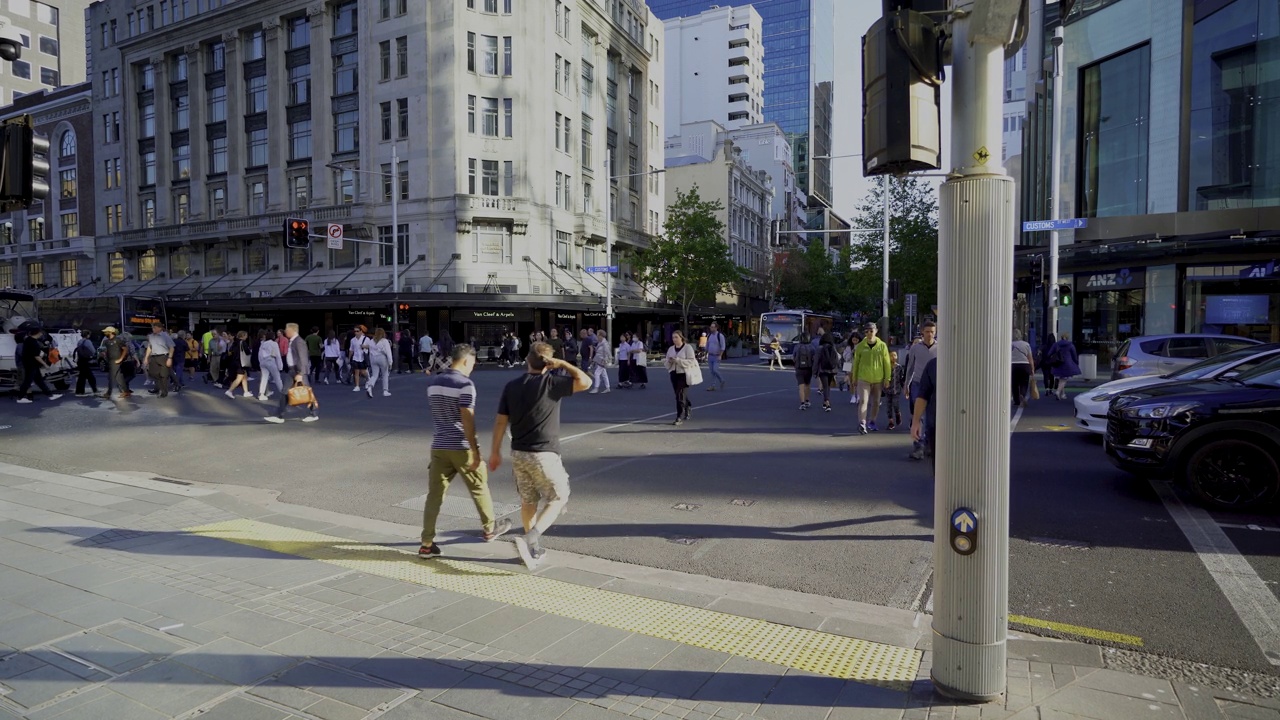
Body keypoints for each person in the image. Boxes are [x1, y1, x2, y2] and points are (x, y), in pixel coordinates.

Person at [488, 342, 592, 569]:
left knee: (528, 500)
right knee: (558, 497)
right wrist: (564, 363)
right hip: (544, 453)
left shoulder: (512, 386)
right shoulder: (552, 383)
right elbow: (586, 382)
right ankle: (531, 538)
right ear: (549, 363)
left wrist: (495, 451)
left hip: (518, 453)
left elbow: (500, 421)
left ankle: (532, 549)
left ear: (527, 361)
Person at [419, 344, 513, 558]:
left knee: (434, 495)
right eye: (472, 363)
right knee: (479, 487)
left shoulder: (433, 383)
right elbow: (467, 419)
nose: (473, 367)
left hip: (439, 446)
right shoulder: (465, 385)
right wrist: (476, 449)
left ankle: (426, 543)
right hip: (461, 446)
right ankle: (489, 529)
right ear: (464, 361)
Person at [263, 324, 318, 424]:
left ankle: (313, 413)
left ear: (292, 330)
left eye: (286, 329)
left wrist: (300, 373)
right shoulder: (293, 341)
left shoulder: (299, 341)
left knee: (307, 391)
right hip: (292, 370)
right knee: (285, 392)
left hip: (297, 371)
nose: (285, 331)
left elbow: (303, 358)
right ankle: (279, 415)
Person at [904, 320, 939, 460]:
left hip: (935, 384)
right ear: (922, 333)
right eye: (927, 332)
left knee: (932, 415)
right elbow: (910, 367)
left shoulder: (940, 348)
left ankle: (929, 443)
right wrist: (907, 384)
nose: (929, 334)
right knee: (919, 415)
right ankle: (919, 445)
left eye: (932, 332)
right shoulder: (915, 348)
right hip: (918, 383)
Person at [852, 322, 892, 434]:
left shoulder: (882, 345)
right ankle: (862, 423)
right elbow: (856, 363)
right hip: (863, 377)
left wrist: (887, 378)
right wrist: (854, 377)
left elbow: (887, 363)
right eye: (866, 331)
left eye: (871, 331)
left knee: (876, 401)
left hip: (878, 379)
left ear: (876, 331)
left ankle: (872, 421)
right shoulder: (860, 346)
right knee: (863, 400)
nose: (869, 333)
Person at [15, 327, 62, 404]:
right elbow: (36, 356)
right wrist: (45, 364)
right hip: (32, 364)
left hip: (29, 363)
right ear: (37, 333)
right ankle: (20, 397)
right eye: (40, 332)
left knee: (39, 381)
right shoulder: (34, 343)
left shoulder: (28, 340)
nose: (41, 334)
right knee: (28, 381)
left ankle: (50, 395)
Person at [911, 356, 939, 470]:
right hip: (937, 425)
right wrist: (916, 421)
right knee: (940, 469)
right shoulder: (934, 364)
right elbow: (923, 395)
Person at [665, 331, 699, 425]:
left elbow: (691, 361)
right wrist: (670, 361)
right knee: (678, 394)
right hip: (673, 373)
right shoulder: (671, 349)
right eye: (673, 338)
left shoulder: (688, 348)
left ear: (681, 338)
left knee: (679, 395)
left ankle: (678, 416)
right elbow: (666, 361)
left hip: (683, 373)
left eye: (676, 337)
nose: (674, 339)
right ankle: (687, 405)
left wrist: (678, 361)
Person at [143, 322, 175, 398]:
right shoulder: (151, 336)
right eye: (152, 328)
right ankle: (158, 387)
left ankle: (164, 392)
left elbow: (171, 348)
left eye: (155, 327)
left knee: (163, 375)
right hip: (154, 357)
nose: (153, 329)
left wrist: (170, 358)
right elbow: (149, 347)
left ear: (160, 328)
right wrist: (146, 358)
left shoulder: (165, 336)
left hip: (163, 356)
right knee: (152, 373)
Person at [1046, 333, 1081, 401]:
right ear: (1068, 337)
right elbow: (1074, 355)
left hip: (1058, 363)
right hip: (1068, 364)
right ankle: (1058, 392)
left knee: (1061, 379)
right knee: (1064, 379)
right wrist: (1076, 362)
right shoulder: (1070, 345)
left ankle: (1062, 394)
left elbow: (1049, 353)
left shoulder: (1056, 344)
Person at [100, 327, 130, 399]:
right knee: (119, 377)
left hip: (116, 361)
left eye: (106, 332)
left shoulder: (118, 340)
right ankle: (126, 391)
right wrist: (105, 354)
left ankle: (108, 393)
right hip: (110, 361)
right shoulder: (106, 341)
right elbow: (106, 350)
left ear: (111, 332)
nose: (105, 333)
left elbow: (125, 349)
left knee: (111, 377)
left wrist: (120, 359)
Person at [814, 328, 840, 412]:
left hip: (822, 370)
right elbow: (836, 359)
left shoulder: (820, 348)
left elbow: (816, 360)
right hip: (832, 370)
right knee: (828, 386)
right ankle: (826, 401)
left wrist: (814, 371)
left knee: (825, 386)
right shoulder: (833, 347)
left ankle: (827, 402)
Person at [1012, 329, 1036, 409]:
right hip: (1025, 365)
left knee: (1014, 383)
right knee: (1024, 383)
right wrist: (1032, 368)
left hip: (1013, 365)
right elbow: (1030, 358)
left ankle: (1016, 400)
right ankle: (1022, 394)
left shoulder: (1009, 344)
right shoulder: (1026, 344)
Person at [225, 330, 253, 399]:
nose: (246, 337)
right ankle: (230, 391)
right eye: (246, 335)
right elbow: (247, 352)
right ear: (243, 336)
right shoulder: (243, 343)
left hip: (234, 362)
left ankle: (246, 392)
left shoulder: (234, 343)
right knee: (239, 378)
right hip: (241, 362)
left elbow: (230, 352)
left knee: (244, 376)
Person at [367, 327, 395, 397]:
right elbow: (388, 352)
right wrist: (390, 362)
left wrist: (371, 361)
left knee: (374, 375)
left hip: (373, 358)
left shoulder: (371, 341)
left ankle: (370, 386)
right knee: (385, 374)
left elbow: (370, 352)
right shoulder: (384, 341)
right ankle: (385, 391)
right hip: (382, 358)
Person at [257, 329, 283, 401]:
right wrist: (280, 366)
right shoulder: (274, 344)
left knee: (264, 378)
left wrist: (260, 362)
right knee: (277, 378)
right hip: (271, 361)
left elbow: (260, 354)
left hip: (263, 362)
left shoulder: (263, 343)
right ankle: (283, 393)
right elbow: (278, 355)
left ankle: (261, 394)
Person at [73, 330, 99, 397]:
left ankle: (79, 391)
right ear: (87, 335)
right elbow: (93, 350)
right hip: (85, 360)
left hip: (80, 360)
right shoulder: (87, 341)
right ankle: (94, 389)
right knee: (90, 377)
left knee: (82, 376)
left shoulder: (79, 342)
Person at [793, 332, 815, 410]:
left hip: (799, 368)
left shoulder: (797, 347)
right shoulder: (811, 347)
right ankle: (807, 400)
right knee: (807, 385)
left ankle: (802, 403)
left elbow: (794, 357)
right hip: (808, 368)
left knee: (801, 386)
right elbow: (814, 358)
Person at [885, 350, 905, 430]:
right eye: (891, 355)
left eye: (895, 355)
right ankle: (891, 422)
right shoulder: (886, 367)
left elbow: (901, 379)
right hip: (887, 389)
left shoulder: (899, 367)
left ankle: (898, 414)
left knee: (895, 404)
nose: (893, 357)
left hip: (896, 389)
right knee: (888, 406)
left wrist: (904, 387)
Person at [348, 325, 373, 392]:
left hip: (363, 357)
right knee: (356, 372)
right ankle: (357, 386)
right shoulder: (353, 340)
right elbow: (351, 349)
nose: (356, 332)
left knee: (363, 371)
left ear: (361, 331)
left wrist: (364, 346)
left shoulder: (366, 339)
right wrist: (349, 357)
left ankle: (368, 380)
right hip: (355, 357)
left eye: (357, 331)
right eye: (355, 331)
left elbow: (371, 346)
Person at [704, 322, 727, 391]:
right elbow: (707, 345)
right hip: (710, 355)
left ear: (716, 328)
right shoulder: (709, 336)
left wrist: (720, 355)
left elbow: (723, 346)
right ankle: (712, 385)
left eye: (713, 327)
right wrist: (706, 354)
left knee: (715, 370)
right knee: (712, 372)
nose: (712, 328)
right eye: (711, 327)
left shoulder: (720, 336)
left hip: (717, 355)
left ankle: (721, 380)